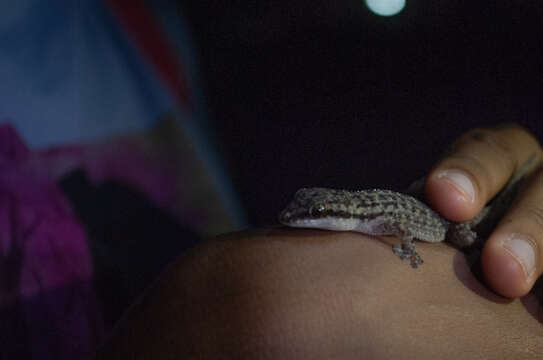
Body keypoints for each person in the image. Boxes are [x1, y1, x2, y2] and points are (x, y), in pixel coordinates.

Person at [96, 124, 543, 359]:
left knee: (465, 228)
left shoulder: (377, 220)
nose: (299, 220)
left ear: (339, 213)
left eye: (314, 215)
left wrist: (407, 247)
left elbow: (403, 224)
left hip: (450, 225)